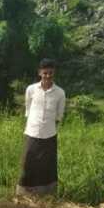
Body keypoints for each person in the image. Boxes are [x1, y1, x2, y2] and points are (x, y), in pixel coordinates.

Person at [16, 58, 66, 197]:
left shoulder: (60, 93)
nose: (48, 76)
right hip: (31, 132)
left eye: (50, 73)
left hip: (49, 135)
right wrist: (36, 127)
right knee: (28, 163)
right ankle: (24, 193)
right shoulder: (31, 89)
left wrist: (47, 129)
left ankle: (47, 195)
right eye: (45, 73)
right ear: (40, 73)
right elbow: (28, 110)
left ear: (54, 73)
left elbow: (58, 116)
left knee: (47, 166)